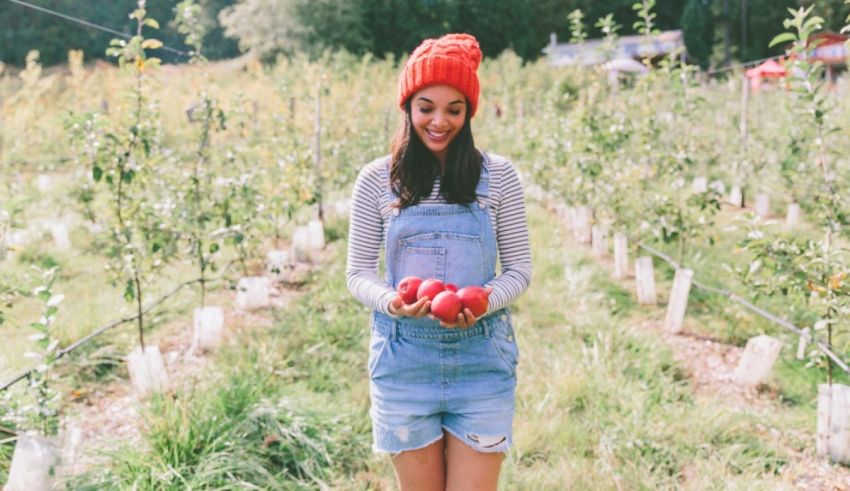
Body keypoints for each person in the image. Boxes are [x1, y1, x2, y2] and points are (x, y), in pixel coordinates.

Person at [346, 33, 531, 490]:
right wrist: (391, 302)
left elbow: (520, 270)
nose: (439, 121)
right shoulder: (376, 179)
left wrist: (486, 299)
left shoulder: (499, 176)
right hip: (404, 363)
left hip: (481, 361)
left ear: (469, 113)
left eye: (455, 109)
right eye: (426, 106)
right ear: (407, 105)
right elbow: (357, 274)